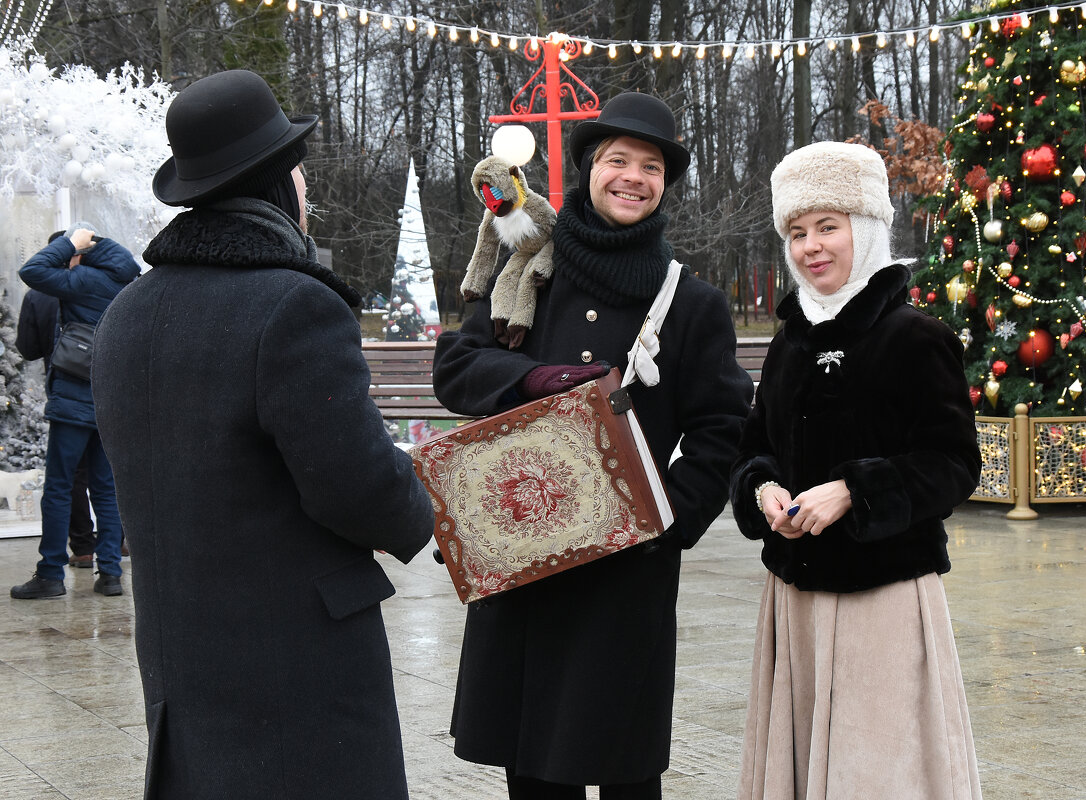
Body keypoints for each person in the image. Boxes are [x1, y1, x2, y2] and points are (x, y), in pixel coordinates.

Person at [89, 69, 435, 799]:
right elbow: (359, 486)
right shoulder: (293, 306)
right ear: (280, 182)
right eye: (302, 171)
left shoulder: (125, 314)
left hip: (179, 659)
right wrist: (421, 495)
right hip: (299, 672)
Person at [433, 91, 754, 799]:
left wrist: (665, 521)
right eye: (617, 160)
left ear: (664, 183)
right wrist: (534, 376)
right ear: (589, 169)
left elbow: (723, 426)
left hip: (624, 581)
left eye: (650, 166)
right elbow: (455, 369)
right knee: (535, 771)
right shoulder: (529, 268)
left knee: (625, 770)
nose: (633, 177)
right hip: (527, 565)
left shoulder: (691, 302)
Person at [729, 141, 983, 799]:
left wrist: (853, 491)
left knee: (879, 772)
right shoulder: (788, 343)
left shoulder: (915, 337)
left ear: (865, 228)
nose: (812, 246)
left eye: (828, 226)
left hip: (884, 596)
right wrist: (762, 489)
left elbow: (954, 463)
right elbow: (756, 445)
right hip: (796, 599)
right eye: (798, 231)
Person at [9, 223, 138, 599]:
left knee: (60, 486)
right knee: (105, 487)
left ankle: (51, 573)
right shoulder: (126, 281)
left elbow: (31, 271)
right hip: (109, 398)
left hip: (74, 399)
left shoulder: (84, 278)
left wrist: (69, 243)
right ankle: (110, 572)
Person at [16, 282, 98, 569]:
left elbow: (27, 349)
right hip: (102, 393)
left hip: (66, 394)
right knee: (106, 477)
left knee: (67, 476)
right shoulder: (102, 287)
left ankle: (83, 547)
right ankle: (115, 547)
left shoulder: (39, 295)